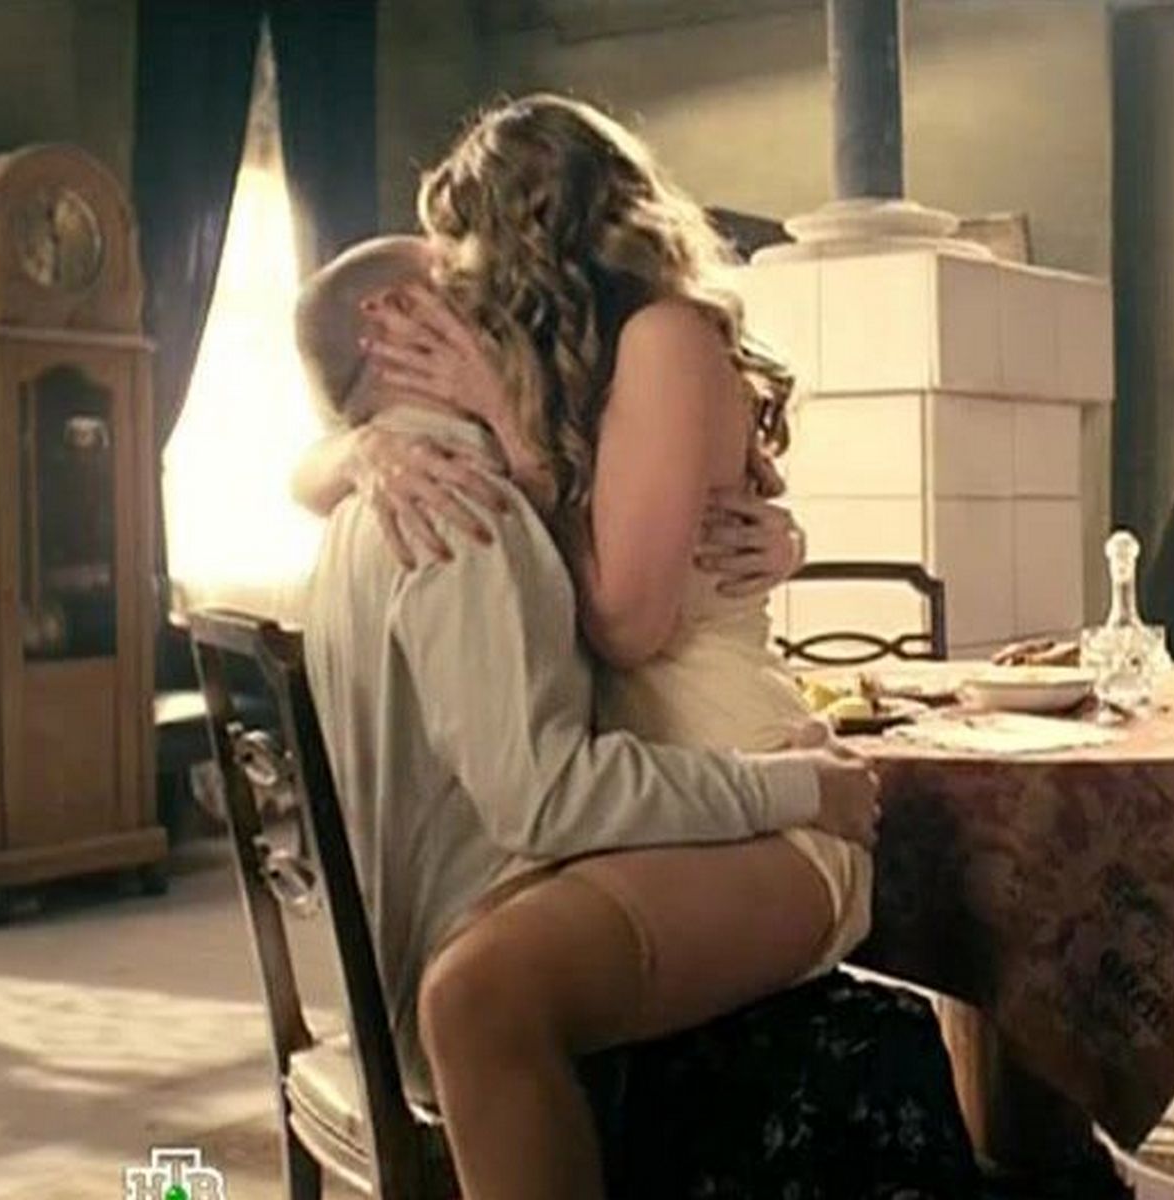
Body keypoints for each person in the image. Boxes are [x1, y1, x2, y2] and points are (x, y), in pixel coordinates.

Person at [296, 232, 882, 1200]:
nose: (498, 296)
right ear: (391, 320)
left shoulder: (391, 502)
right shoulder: (454, 509)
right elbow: (547, 796)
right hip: (482, 980)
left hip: (462, 947)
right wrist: (793, 788)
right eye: (462, 278)